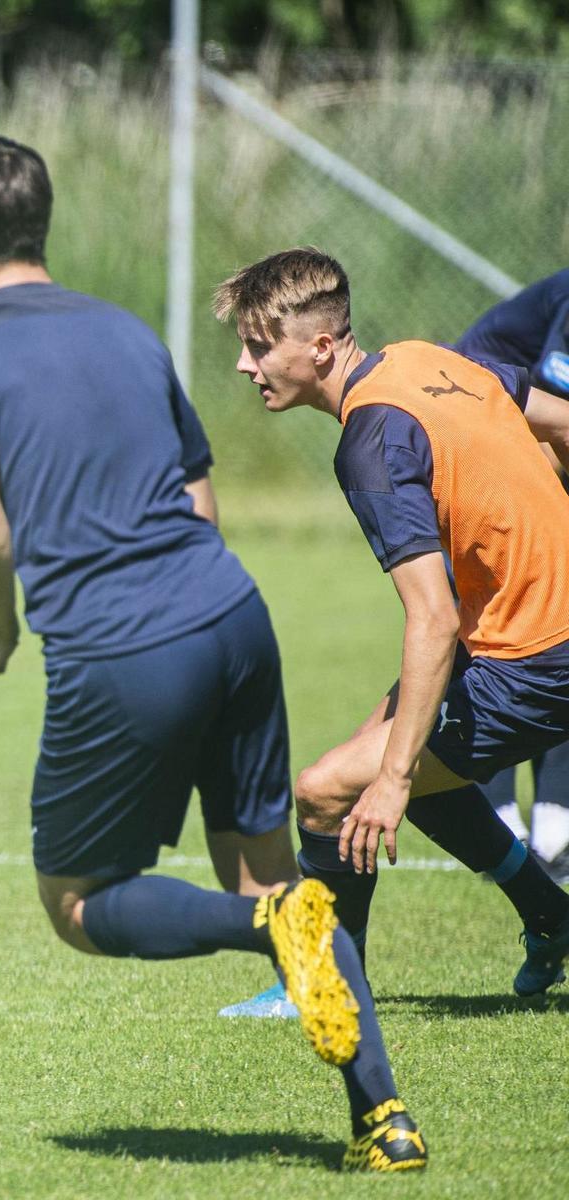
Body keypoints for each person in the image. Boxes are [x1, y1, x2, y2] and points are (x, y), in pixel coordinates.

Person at [0, 137, 421, 1172]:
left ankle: (272, 933)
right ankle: (384, 1118)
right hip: (231, 611)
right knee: (270, 870)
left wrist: (3, 631)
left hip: (120, 644)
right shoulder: (127, 330)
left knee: (81, 900)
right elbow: (198, 494)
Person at [212, 247, 569, 1004]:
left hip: (536, 658)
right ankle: (549, 913)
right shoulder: (422, 360)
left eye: (257, 344)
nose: (246, 365)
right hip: (518, 638)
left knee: (326, 791)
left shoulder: (371, 441)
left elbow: (433, 616)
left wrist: (393, 780)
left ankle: (327, 989)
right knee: (392, 741)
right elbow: (562, 420)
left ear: (317, 346)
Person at [454, 269, 569, 881]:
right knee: (505, 635)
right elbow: (555, 427)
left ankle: (554, 816)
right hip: (479, 452)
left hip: (530, 456)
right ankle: (503, 813)